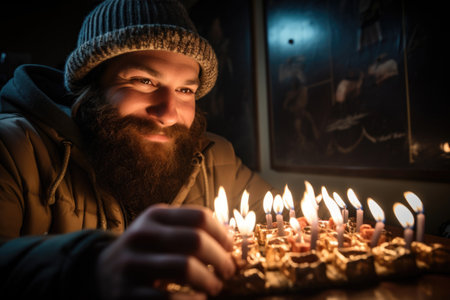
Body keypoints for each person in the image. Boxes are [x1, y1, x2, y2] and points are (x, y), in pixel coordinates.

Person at [0, 0, 276, 299]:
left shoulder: (214, 157)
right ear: (91, 88)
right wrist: (90, 268)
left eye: (185, 90)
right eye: (143, 81)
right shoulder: (14, 148)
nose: (169, 113)